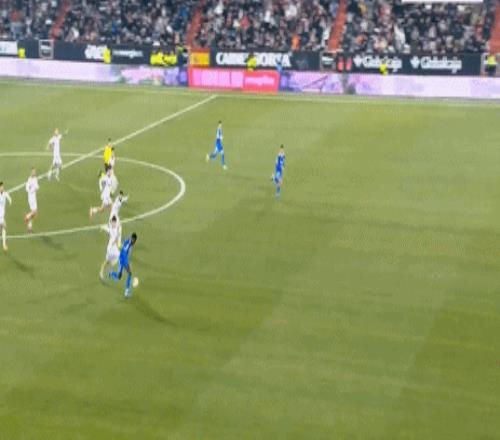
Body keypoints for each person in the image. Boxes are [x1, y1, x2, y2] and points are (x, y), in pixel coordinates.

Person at [109, 232, 137, 298]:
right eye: (134, 240)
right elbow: (123, 251)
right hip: (123, 259)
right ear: (132, 239)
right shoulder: (129, 244)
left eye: (135, 240)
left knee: (119, 277)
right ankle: (126, 292)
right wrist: (126, 262)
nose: (134, 242)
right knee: (130, 273)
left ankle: (111, 273)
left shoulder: (128, 241)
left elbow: (123, 243)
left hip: (122, 259)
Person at [100, 215, 121, 280]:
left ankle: (109, 270)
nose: (114, 223)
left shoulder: (116, 228)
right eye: (112, 222)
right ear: (111, 223)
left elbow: (116, 237)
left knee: (118, 258)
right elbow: (107, 229)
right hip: (110, 249)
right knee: (107, 261)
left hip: (115, 248)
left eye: (114, 222)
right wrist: (102, 228)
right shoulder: (111, 229)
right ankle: (101, 272)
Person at [24, 167, 39, 233]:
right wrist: (32, 189)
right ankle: (27, 217)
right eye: (33, 171)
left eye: (35, 171)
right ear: (31, 172)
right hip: (31, 197)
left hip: (32, 197)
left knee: (33, 214)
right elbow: (28, 188)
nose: (34, 172)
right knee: (34, 212)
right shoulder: (31, 179)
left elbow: (36, 187)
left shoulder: (33, 179)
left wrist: (34, 188)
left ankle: (29, 228)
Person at [0, 182, 12, 251]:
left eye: (2, 187)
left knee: (3, 227)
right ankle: (4, 244)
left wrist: (10, 201)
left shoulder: (5, 193)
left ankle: (4, 243)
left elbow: (9, 198)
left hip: (2, 216)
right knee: (4, 227)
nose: (2, 188)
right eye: (1, 187)